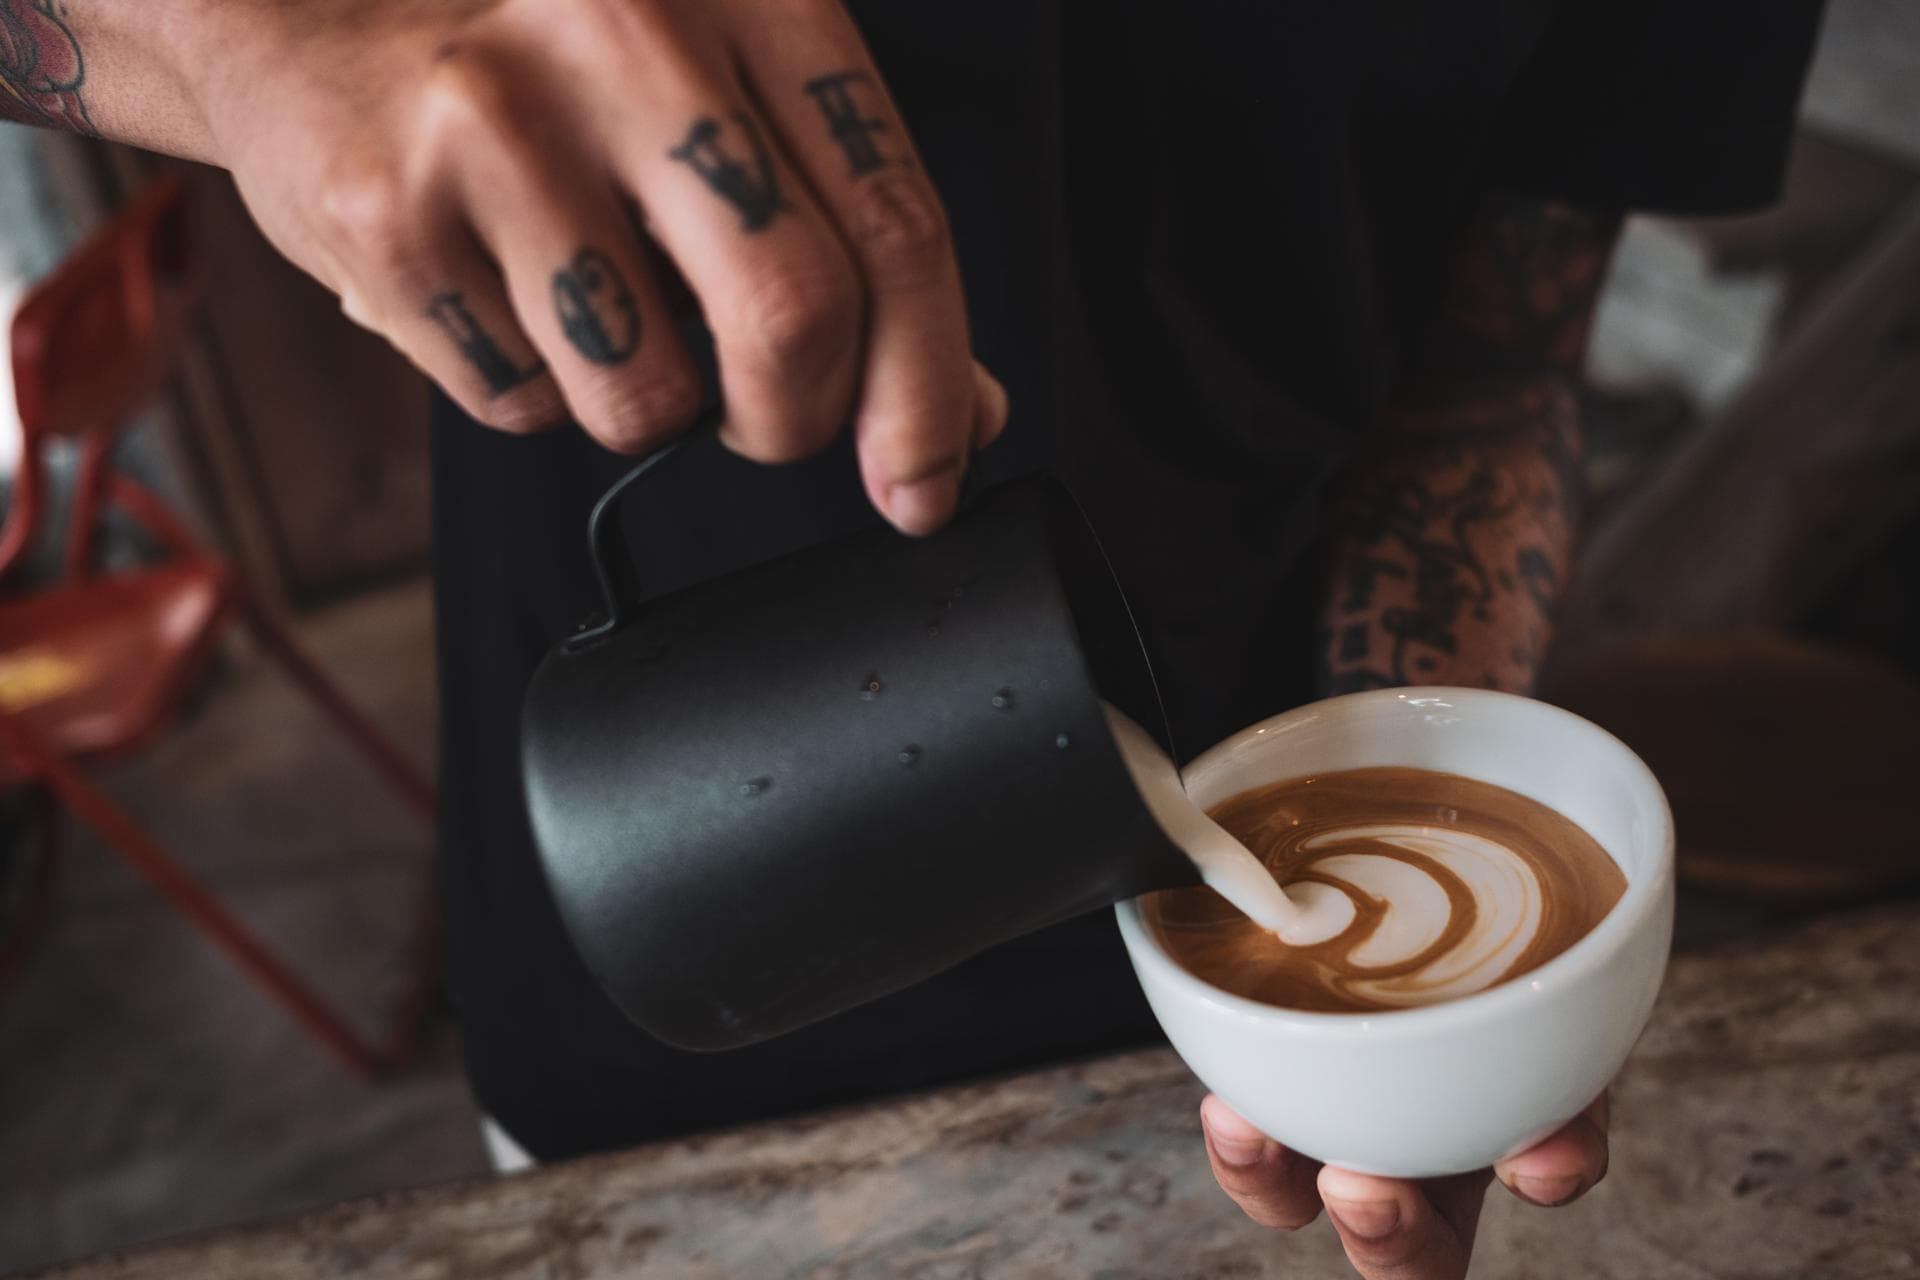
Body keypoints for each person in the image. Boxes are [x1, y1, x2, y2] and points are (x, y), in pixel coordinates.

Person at [2, 2, 1825, 1275]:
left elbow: (1495, 360)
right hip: (661, 941)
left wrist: (1415, 971)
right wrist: (260, 44)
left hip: (1228, 1006)